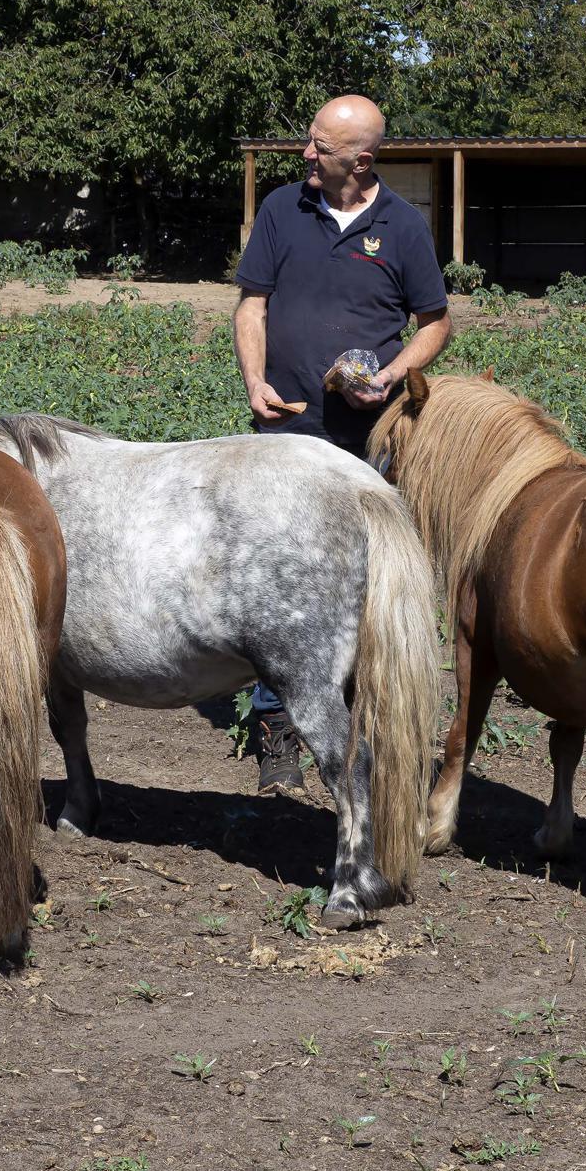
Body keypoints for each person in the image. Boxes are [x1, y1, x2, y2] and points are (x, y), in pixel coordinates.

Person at [232, 93, 452, 794]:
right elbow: (251, 304)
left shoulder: (403, 227)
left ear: (360, 159)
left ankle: (364, 726)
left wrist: (389, 376)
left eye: (318, 147)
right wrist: (254, 383)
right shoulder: (281, 210)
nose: (305, 154)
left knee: (361, 583)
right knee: (277, 580)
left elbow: (434, 323)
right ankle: (275, 732)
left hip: (368, 439)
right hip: (287, 426)